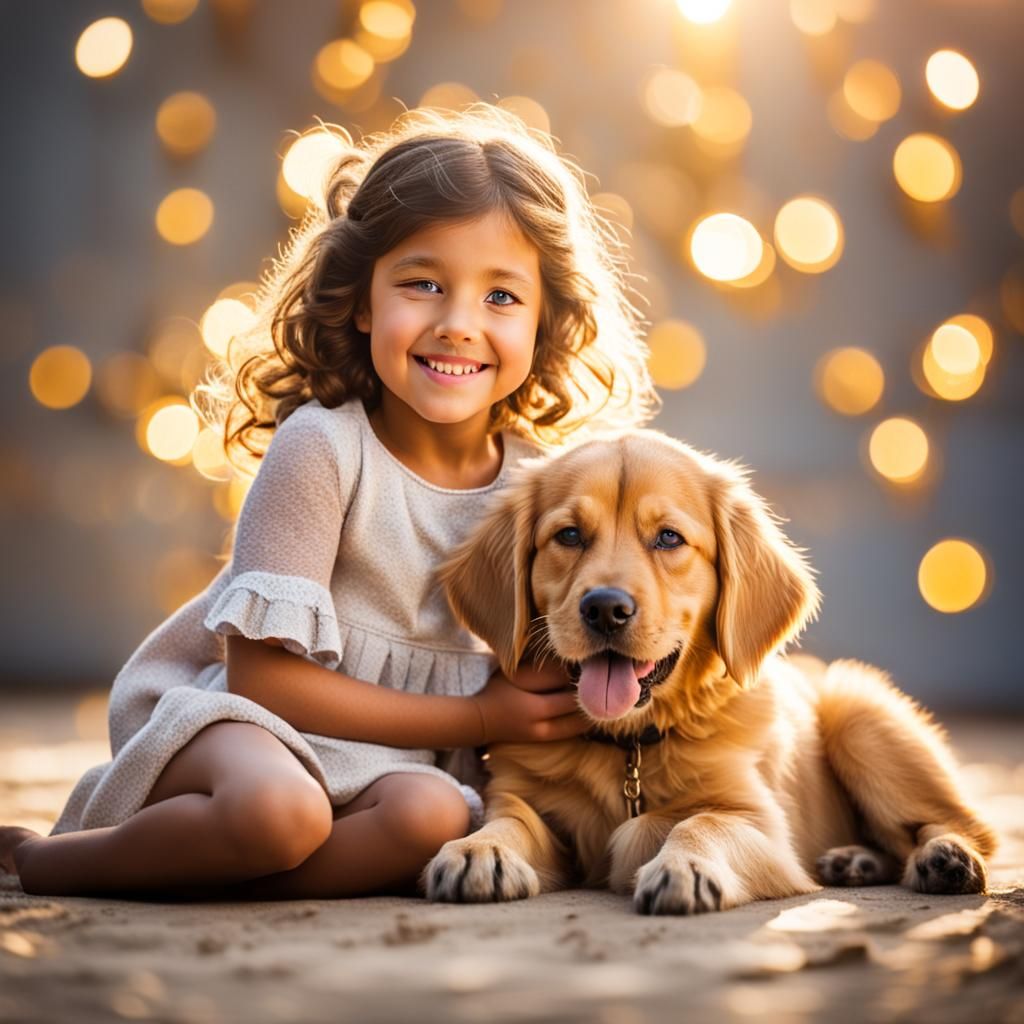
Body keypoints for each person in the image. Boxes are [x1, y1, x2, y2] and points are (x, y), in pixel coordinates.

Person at [0, 105, 658, 900]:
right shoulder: (324, 448)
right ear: (359, 300)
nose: (457, 324)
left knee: (434, 820)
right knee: (281, 812)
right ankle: (50, 862)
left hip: (391, 763)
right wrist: (480, 720)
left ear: (547, 319)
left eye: (501, 297)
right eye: (423, 284)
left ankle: (221, 875)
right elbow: (261, 680)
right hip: (238, 726)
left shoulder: (541, 489)